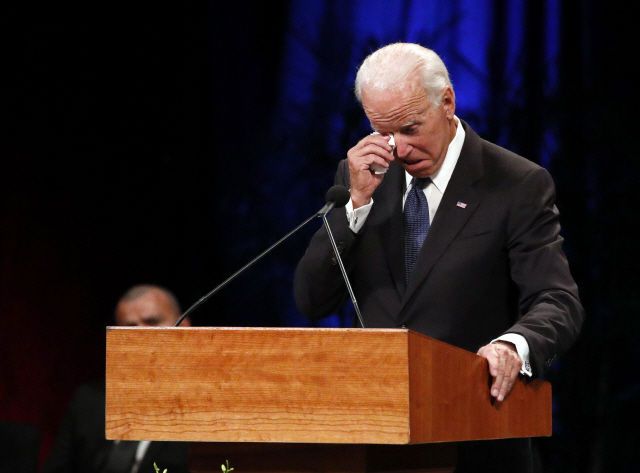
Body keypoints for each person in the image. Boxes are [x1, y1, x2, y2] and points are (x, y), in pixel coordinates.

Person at [294, 43, 584, 472]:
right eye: (383, 132)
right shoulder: (362, 178)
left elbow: (557, 301)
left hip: (475, 437)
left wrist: (512, 346)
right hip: (374, 437)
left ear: (447, 102)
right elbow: (312, 300)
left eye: (411, 128)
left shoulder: (516, 184)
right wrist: (354, 205)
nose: (400, 149)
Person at [42, 285, 191, 473]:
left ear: (184, 326)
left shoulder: (213, 404)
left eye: (152, 322)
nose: (141, 334)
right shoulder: (88, 400)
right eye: (130, 327)